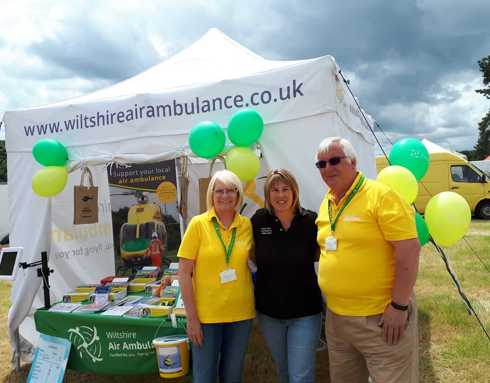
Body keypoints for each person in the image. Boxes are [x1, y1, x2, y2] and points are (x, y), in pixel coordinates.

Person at [315, 137, 421, 383]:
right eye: (320, 164)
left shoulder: (381, 196)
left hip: (381, 319)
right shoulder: (327, 201)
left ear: (352, 162)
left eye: (334, 161)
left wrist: (399, 306)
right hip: (338, 320)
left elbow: (409, 249)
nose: (327, 168)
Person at [178, 169, 255, 383]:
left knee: (232, 376)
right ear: (211, 194)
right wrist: (192, 319)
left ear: (238, 195)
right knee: (204, 376)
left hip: (240, 315)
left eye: (231, 191)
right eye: (219, 191)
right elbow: (183, 273)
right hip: (206, 317)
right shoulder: (198, 224)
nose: (224, 195)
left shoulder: (246, 226)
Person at [251, 169, 323, 383]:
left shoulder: (310, 221)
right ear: (267, 194)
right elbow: (249, 252)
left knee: (300, 375)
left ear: (295, 192)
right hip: (270, 312)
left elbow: (325, 254)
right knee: (284, 371)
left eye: (285, 189)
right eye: (275, 190)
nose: (280, 195)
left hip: (305, 312)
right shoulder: (259, 220)